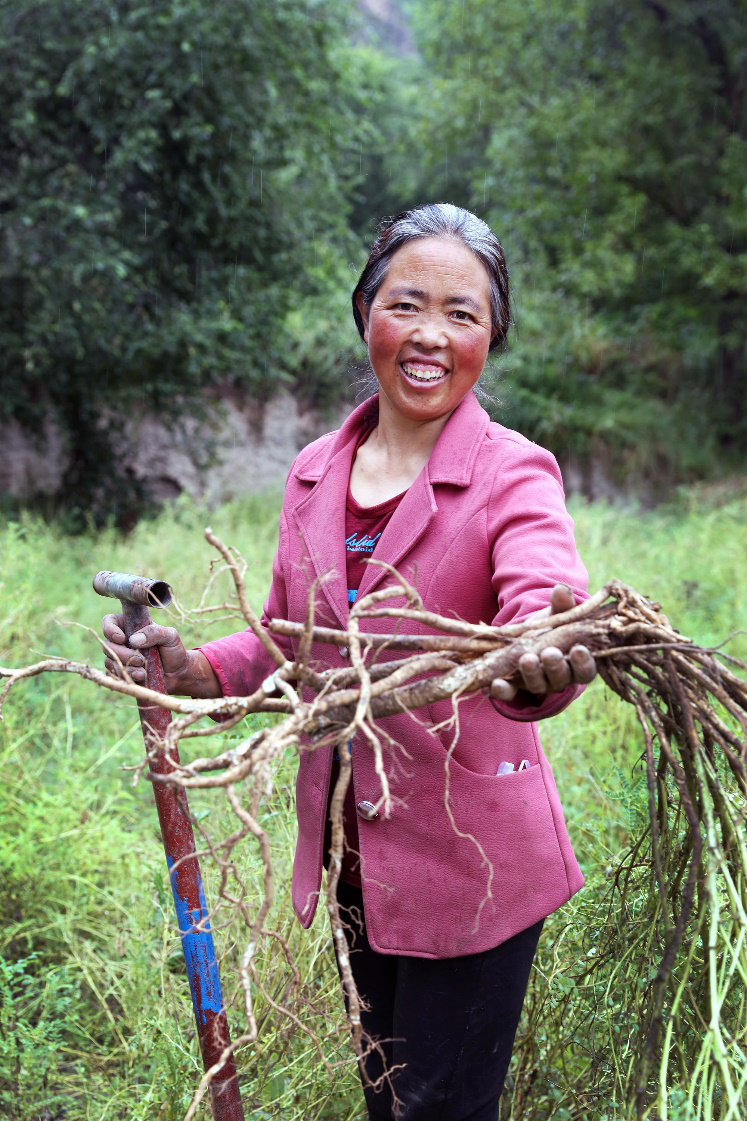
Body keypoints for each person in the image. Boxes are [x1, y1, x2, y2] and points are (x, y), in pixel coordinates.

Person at [103, 203, 596, 1121]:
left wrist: (543, 653)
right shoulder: (313, 473)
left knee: (438, 1111)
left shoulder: (513, 471)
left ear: (491, 337)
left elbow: (539, 600)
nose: (431, 335)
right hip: (356, 861)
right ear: (366, 312)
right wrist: (186, 669)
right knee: (384, 1100)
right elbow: (290, 643)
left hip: (473, 862)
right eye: (407, 304)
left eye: (463, 314)